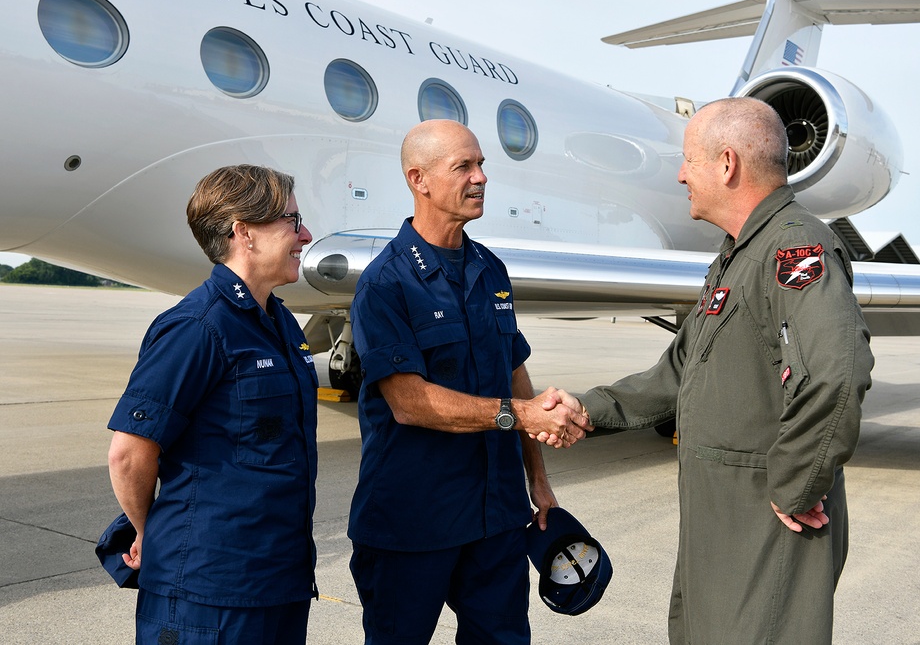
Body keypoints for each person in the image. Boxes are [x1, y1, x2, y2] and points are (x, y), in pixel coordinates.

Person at [551, 97, 875, 644]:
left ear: (727, 164)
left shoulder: (796, 246)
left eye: (688, 161)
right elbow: (679, 372)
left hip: (767, 521)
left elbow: (837, 371)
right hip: (722, 521)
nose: (680, 175)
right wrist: (589, 409)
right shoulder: (736, 256)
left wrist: (797, 482)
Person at [347, 119, 593, 644]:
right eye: (464, 166)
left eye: (481, 165)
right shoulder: (385, 284)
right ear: (420, 179)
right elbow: (410, 402)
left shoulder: (490, 270)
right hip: (413, 523)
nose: (481, 177)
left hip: (496, 518)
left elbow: (514, 372)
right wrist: (522, 415)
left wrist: (539, 480)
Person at [107, 164, 319, 644]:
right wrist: (151, 531)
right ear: (243, 231)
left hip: (277, 581)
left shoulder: (279, 323)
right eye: (292, 220)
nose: (305, 234)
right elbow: (128, 453)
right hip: (210, 595)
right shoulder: (197, 327)